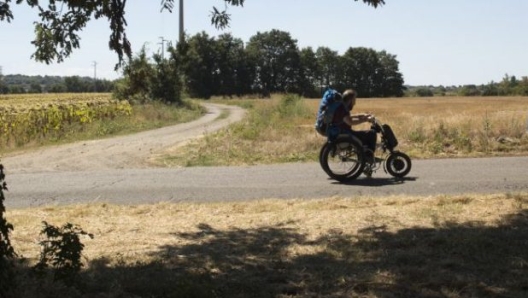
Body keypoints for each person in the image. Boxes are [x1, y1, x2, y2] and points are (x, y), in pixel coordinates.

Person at [330, 89, 377, 164]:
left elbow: (348, 117)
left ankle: (365, 153)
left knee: (366, 134)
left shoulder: (342, 107)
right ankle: (368, 156)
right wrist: (365, 120)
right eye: (354, 99)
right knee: (372, 133)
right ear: (350, 100)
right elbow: (350, 122)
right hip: (346, 134)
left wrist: (363, 115)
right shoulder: (342, 109)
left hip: (342, 132)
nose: (355, 103)